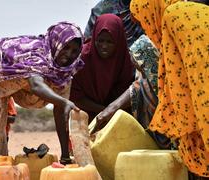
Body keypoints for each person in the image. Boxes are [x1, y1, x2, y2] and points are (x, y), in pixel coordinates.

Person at [0, 22, 83, 164]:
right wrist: (64, 102)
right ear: (56, 42)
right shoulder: (36, 52)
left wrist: (65, 155)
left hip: (4, 81)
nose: (69, 54)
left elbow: (60, 112)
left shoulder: (65, 72)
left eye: (75, 51)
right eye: (66, 47)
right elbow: (36, 85)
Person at [130, 0, 209, 177]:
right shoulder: (200, 11)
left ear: (152, 12)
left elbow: (180, 84)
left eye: (145, 23)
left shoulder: (172, 17)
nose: (148, 32)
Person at [70, 14, 134, 123]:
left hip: (119, 116)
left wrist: (112, 112)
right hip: (84, 114)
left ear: (118, 41)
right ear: (94, 37)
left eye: (110, 42)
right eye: (100, 41)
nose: (104, 46)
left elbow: (130, 93)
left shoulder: (125, 60)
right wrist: (105, 111)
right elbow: (75, 97)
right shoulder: (82, 59)